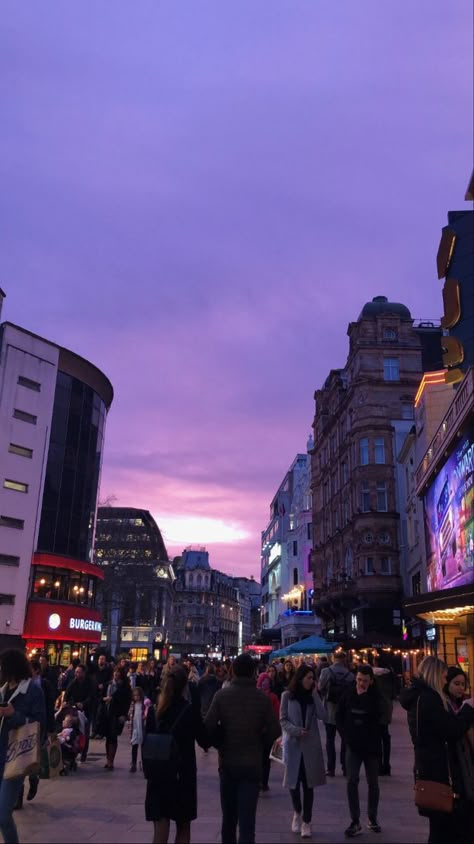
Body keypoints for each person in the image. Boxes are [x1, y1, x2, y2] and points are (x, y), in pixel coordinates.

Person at [204, 652, 281, 844]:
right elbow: (274, 730)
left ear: (234, 671)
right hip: (252, 764)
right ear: (254, 672)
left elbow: (207, 728)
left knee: (229, 820)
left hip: (228, 763)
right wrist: (260, 742)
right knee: (248, 823)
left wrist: (219, 742)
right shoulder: (262, 699)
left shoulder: (222, 696)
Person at [400, 656, 474, 844]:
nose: (444, 681)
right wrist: (468, 709)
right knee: (444, 827)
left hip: (429, 768)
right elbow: (452, 730)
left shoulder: (418, 698)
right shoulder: (428, 700)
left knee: (441, 827)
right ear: (434, 675)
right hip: (438, 772)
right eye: (443, 677)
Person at [145, 665, 207, 844]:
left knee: (160, 824)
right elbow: (204, 739)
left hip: (157, 773)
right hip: (182, 774)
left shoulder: (155, 710)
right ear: (184, 686)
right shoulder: (188, 710)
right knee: (183, 825)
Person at [0, 648, 46, 844]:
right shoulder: (2, 689)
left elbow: (39, 724)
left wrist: (13, 715)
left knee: (3, 813)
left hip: (16, 757)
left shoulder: (33, 691)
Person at [280, 664, 327, 838]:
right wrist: (295, 730)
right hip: (293, 745)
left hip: (310, 747)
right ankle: (297, 812)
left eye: (312, 678)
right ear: (300, 678)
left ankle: (307, 821)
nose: (311, 681)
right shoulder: (287, 696)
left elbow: (324, 715)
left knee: (309, 785)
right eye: (308, 677)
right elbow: (283, 720)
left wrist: (315, 694)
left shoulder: (312, 697)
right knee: (293, 784)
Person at [336, 664, 383, 837]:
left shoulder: (375, 697)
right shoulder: (348, 693)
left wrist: (364, 699)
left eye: (364, 681)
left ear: (371, 681)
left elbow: (379, 717)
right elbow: (339, 715)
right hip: (353, 745)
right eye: (359, 680)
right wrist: (345, 736)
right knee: (351, 781)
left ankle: (372, 817)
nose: (361, 684)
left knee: (373, 783)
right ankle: (355, 820)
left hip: (371, 746)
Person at [24, 659, 56, 803]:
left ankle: (33, 779)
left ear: (36, 670)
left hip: (39, 726)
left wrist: (50, 729)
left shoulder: (44, 685)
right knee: (20, 759)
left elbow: (49, 708)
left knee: (33, 757)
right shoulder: (22, 684)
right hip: (23, 726)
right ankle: (18, 796)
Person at [318, 651, 354, 777]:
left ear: (334, 659)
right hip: (344, 712)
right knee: (345, 740)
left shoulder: (326, 672)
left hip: (329, 710)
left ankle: (331, 768)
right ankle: (345, 767)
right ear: (344, 660)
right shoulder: (350, 675)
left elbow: (320, 687)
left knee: (330, 739)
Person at [102, 668, 132, 770]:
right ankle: (107, 759)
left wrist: (124, 714)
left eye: (118, 672)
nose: (116, 674)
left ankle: (111, 761)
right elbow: (100, 696)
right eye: (115, 672)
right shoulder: (108, 684)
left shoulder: (125, 687)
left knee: (113, 736)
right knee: (108, 737)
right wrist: (104, 699)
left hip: (117, 714)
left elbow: (127, 701)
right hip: (107, 713)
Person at [256, 673, 280, 793]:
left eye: (267, 681)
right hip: (264, 732)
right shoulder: (270, 696)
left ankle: (262, 781)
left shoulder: (258, 696)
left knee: (263, 758)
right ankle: (263, 782)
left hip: (262, 732)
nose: (265, 683)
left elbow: (276, 714)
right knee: (264, 758)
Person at [64, 664, 94, 761]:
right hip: (75, 709)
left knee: (85, 731)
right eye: (76, 672)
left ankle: (84, 752)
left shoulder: (90, 683)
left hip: (87, 710)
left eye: (79, 672)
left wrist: (84, 704)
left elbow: (92, 697)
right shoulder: (73, 682)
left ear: (84, 673)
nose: (76, 674)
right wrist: (67, 702)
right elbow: (67, 694)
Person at [373, 660, 397, 776]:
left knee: (377, 738)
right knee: (385, 737)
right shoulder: (390, 676)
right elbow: (394, 693)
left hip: (376, 709)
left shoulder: (374, 676)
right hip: (387, 707)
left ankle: (379, 765)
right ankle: (386, 765)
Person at [128, 686, 151, 772]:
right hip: (134, 728)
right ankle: (133, 764)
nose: (136, 697)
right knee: (134, 745)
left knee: (143, 747)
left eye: (138, 695)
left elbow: (148, 710)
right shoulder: (133, 704)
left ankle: (143, 763)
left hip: (142, 727)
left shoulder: (144, 703)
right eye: (135, 696)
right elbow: (130, 714)